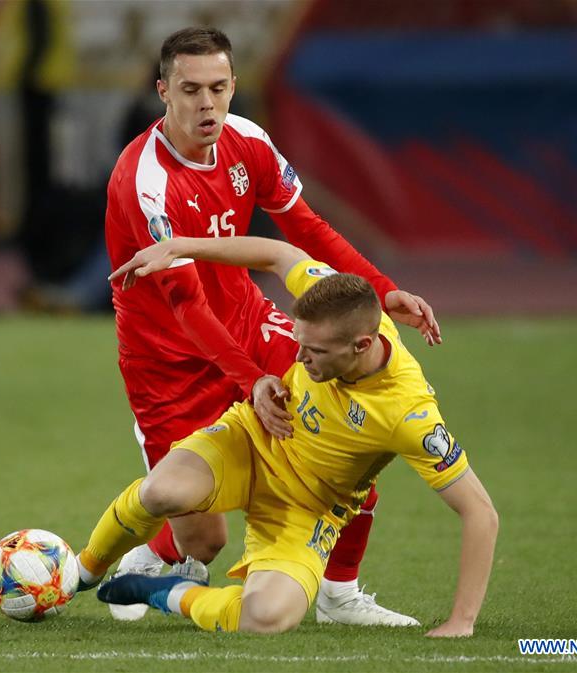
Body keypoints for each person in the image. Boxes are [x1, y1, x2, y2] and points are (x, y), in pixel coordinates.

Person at [104, 26, 442, 625]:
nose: (206, 104)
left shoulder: (248, 141)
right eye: (190, 90)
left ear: (234, 85)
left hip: (249, 322)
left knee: (349, 437)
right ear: (163, 91)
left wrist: (384, 292)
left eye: (217, 87)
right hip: (169, 362)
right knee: (204, 541)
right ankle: (151, 560)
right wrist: (250, 380)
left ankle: (339, 595)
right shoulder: (145, 181)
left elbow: (308, 229)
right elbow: (186, 308)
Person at [72, 235, 497, 636]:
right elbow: (279, 253)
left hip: (304, 510)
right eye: (300, 341)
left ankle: (169, 594)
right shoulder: (334, 299)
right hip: (253, 441)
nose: (298, 357)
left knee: (267, 618)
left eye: (315, 351)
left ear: (362, 345)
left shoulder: (408, 413)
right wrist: (181, 246)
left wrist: (462, 620)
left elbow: (480, 513)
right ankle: (79, 572)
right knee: (162, 491)